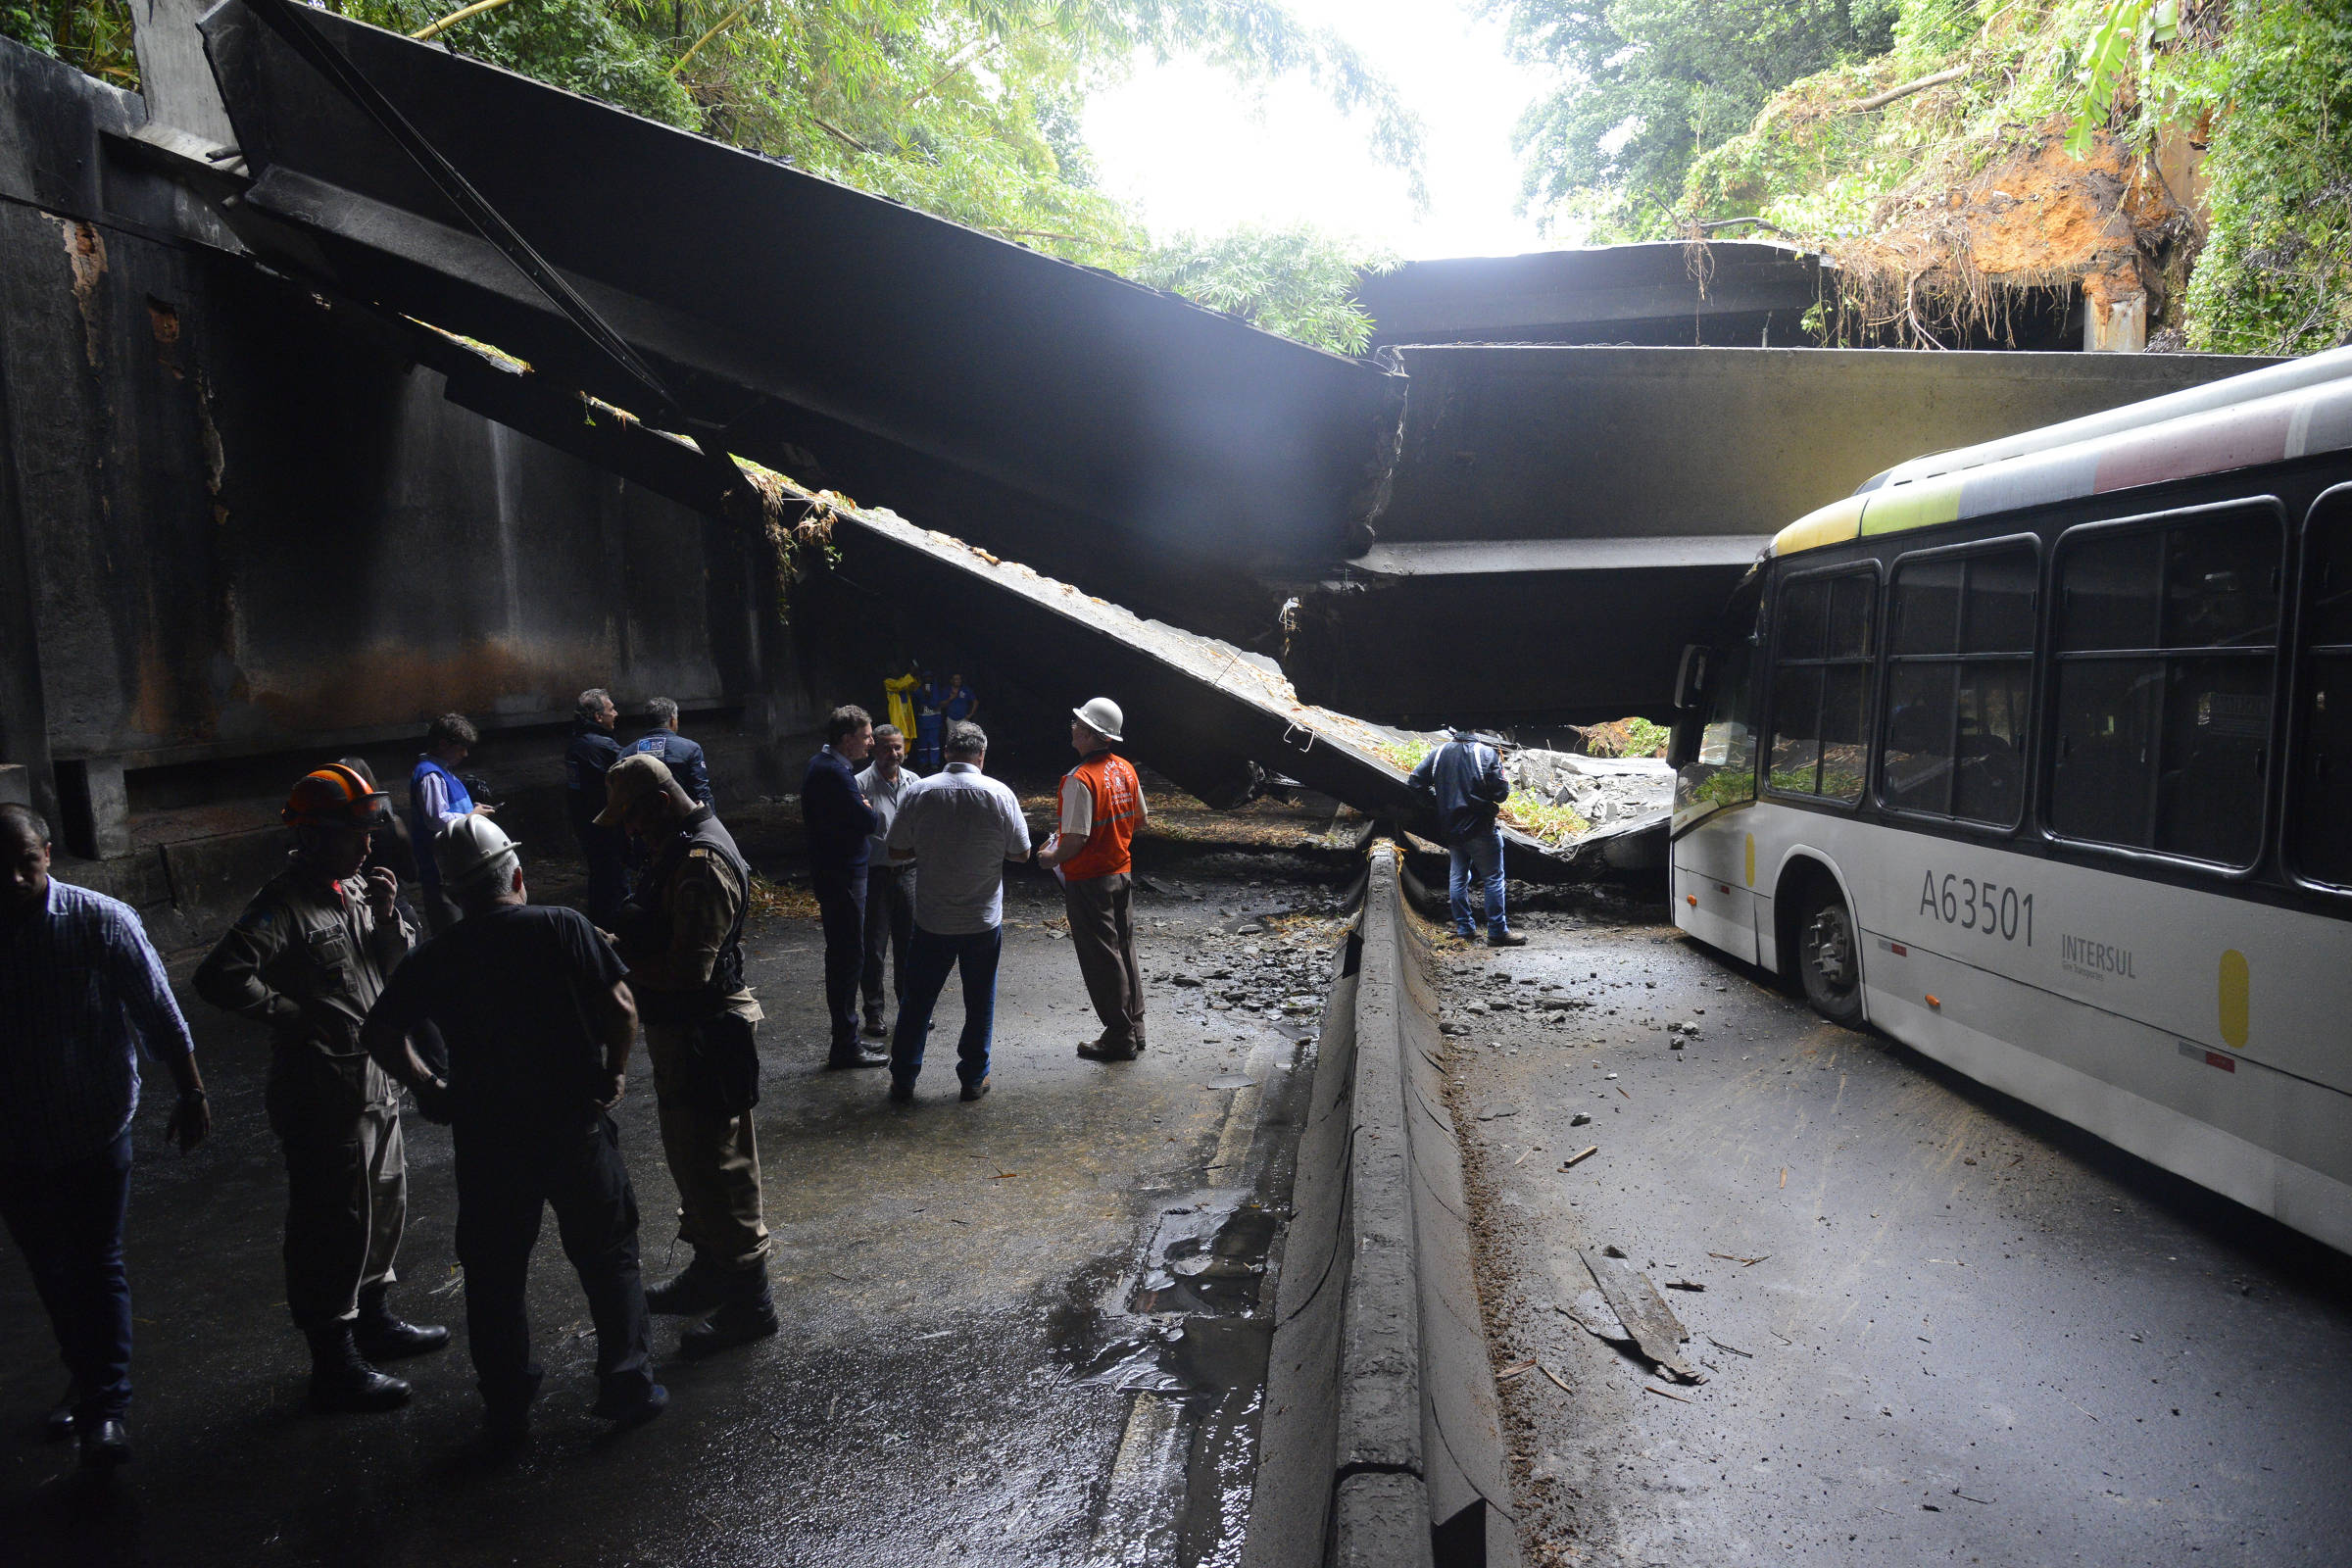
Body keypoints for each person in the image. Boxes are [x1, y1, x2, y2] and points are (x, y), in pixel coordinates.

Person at [359, 815, 663, 1447]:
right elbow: (622, 1007)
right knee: (608, 1255)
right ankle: (626, 1385)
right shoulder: (562, 926)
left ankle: (507, 1403)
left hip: (487, 1133)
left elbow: (381, 1033)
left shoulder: (437, 955)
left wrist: (430, 1088)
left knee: (494, 1272)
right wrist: (614, 1071)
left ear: (453, 895)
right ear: (516, 874)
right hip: (570, 1122)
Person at [194, 765, 449, 1413]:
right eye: (357, 832)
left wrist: (390, 921)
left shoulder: (361, 889)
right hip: (323, 1092)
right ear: (316, 836)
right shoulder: (282, 903)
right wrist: (290, 1014)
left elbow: (395, 972)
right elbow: (221, 975)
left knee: (384, 1204)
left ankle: (373, 1321)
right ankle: (333, 1362)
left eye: (370, 830)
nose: (370, 845)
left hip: (376, 1081)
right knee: (332, 1225)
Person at [0, 803, 209, 1471]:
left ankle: (106, 1409)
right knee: (51, 1273)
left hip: (94, 1125)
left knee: (94, 1264)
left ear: (48, 854)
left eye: (24, 863)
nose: (11, 879)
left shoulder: (99, 920)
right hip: (12, 1138)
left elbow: (159, 1012)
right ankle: (85, 1378)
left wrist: (192, 1090)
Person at [600, 754, 777, 1355]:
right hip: (683, 1031)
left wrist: (610, 962)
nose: (629, 832)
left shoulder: (701, 864)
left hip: (705, 1032)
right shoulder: (678, 845)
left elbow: (688, 970)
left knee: (722, 1168)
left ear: (661, 803)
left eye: (632, 818)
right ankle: (710, 1272)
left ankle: (750, 1302)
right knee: (693, 1160)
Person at [883, 722, 1030, 1104]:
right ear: (981, 755)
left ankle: (903, 1079)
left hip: (933, 918)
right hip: (982, 919)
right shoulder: (1000, 794)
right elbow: (1022, 852)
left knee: (917, 1000)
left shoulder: (919, 792)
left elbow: (895, 850)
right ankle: (972, 1078)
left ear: (946, 753)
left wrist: (932, 850)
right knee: (980, 999)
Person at [1038, 698, 1150, 1061]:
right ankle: (1136, 1027)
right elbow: (1140, 820)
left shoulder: (1079, 779)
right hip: (1121, 872)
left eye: (1077, 724)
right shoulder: (1126, 770)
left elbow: (1075, 840)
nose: (1072, 728)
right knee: (1125, 948)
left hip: (1090, 880)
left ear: (1091, 734)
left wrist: (1048, 857)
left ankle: (1119, 1037)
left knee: (1102, 957)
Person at [801, 706, 886, 1069]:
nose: (871, 743)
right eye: (866, 736)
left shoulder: (826, 767)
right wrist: (867, 810)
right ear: (847, 738)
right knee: (848, 957)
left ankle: (846, 1040)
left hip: (838, 871)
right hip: (844, 875)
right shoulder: (833, 773)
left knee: (846, 954)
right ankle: (846, 1044)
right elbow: (868, 819)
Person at [1408, 728, 1527, 947]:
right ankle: (1497, 931)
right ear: (1475, 729)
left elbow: (1415, 782)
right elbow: (1501, 793)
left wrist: (1437, 803)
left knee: (1458, 877)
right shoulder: (1485, 753)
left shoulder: (1439, 752)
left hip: (1451, 827)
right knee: (1493, 878)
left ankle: (1465, 928)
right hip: (1480, 828)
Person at [856, 724, 918, 1042]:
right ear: (874, 749)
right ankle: (874, 1013)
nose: (892, 754)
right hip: (877, 874)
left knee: (909, 946)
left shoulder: (915, 783)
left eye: (897, 748)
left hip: (909, 873)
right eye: (885, 748)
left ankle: (910, 1010)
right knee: (875, 947)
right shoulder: (859, 785)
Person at [410, 713, 493, 934]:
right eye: (461, 747)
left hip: (457, 863)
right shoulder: (429, 774)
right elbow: (436, 819)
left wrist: (473, 809)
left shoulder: (444, 771)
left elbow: (450, 810)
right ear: (443, 743)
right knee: (451, 927)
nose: (465, 754)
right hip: (441, 867)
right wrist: (471, 815)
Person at [566, 688, 628, 928]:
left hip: (585, 821)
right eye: (611, 709)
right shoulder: (601, 747)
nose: (616, 713)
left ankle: (599, 924)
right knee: (614, 877)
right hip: (606, 823)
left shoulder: (576, 743)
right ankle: (616, 929)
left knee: (599, 875)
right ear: (597, 717)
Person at [628, 698, 711, 807]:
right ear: (673, 720)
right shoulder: (690, 749)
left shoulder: (626, 753)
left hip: (643, 820)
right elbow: (701, 793)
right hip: (682, 819)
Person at [912, 671, 944, 772]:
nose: (927, 680)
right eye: (925, 677)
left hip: (934, 721)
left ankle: (934, 763)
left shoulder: (936, 689)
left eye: (929, 677)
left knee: (934, 744)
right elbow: (913, 699)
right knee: (923, 744)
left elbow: (935, 703)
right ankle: (923, 762)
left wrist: (928, 697)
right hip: (922, 721)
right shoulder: (919, 689)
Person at [882, 665, 919, 744]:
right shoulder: (888, 682)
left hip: (906, 713)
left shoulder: (903, 680)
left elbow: (914, 687)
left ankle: (906, 755)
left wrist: (915, 676)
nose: (897, 671)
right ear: (890, 671)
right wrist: (910, 674)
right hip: (898, 714)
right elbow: (899, 685)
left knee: (909, 736)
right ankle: (900, 754)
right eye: (894, 669)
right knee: (899, 735)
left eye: (897, 669)